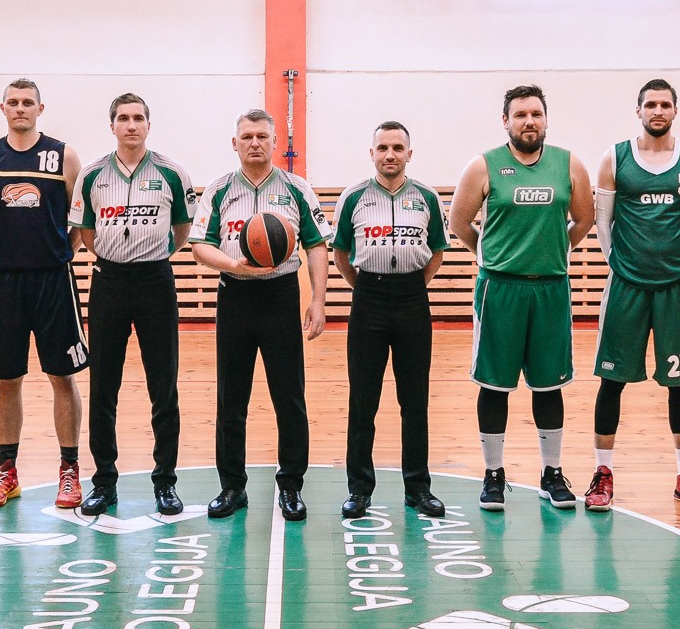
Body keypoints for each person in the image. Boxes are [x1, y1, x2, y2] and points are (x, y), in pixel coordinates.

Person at [449, 84, 595, 511]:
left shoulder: (569, 164)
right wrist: (491, 256)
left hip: (550, 288)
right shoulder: (484, 165)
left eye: (536, 114)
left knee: (549, 385)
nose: (529, 121)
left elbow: (584, 219)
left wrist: (556, 250)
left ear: (545, 119)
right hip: (500, 289)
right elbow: (459, 222)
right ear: (506, 121)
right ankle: (493, 475)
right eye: (520, 115)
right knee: (495, 385)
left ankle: (551, 473)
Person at [586, 80, 680, 514]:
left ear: (675, 110)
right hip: (626, 285)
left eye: (665, 104)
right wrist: (618, 262)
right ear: (639, 110)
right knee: (612, 381)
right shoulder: (615, 157)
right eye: (650, 104)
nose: (657, 110)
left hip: (677, 285)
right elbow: (603, 222)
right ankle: (602, 473)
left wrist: (675, 259)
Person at [190, 110, 330, 521]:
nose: (255, 143)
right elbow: (200, 246)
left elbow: (316, 244)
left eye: (262, 136)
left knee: (289, 397)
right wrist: (234, 265)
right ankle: (232, 487)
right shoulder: (219, 190)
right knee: (231, 399)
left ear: (274, 143)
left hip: (281, 296)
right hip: (235, 296)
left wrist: (318, 299)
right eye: (247, 136)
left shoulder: (296, 189)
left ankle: (291, 486)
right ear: (235, 143)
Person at [70, 93, 194, 517]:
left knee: (164, 386)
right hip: (108, 283)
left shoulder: (171, 173)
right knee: (104, 386)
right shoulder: (92, 175)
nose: (131, 125)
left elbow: (181, 229)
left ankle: (166, 482)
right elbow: (87, 234)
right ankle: (104, 482)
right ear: (112, 126)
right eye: (123, 118)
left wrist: (150, 258)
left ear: (148, 125)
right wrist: (115, 259)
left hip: (155, 282)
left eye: (138, 118)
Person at [0, 79, 88, 511]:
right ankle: (7, 472)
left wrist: (57, 252)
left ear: (41, 108)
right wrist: (6, 255)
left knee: (63, 376)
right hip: (5, 282)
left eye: (27, 102)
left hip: (53, 280)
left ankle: (70, 469)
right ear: (2, 108)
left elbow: (79, 219)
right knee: (8, 379)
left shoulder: (64, 155)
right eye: (13, 102)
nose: (20, 108)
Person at [332, 121, 448, 519]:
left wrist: (410, 285)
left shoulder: (427, 197)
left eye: (398, 147)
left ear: (409, 154)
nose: (390, 154)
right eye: (382, 147)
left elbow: (436, 251)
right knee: (363, 401)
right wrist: (368, 288)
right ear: (372, 153)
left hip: (413, 298)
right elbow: (341, 253)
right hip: (369, 299)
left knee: (414, 401)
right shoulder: (353, 197)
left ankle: (418, 488)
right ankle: (359, 490)